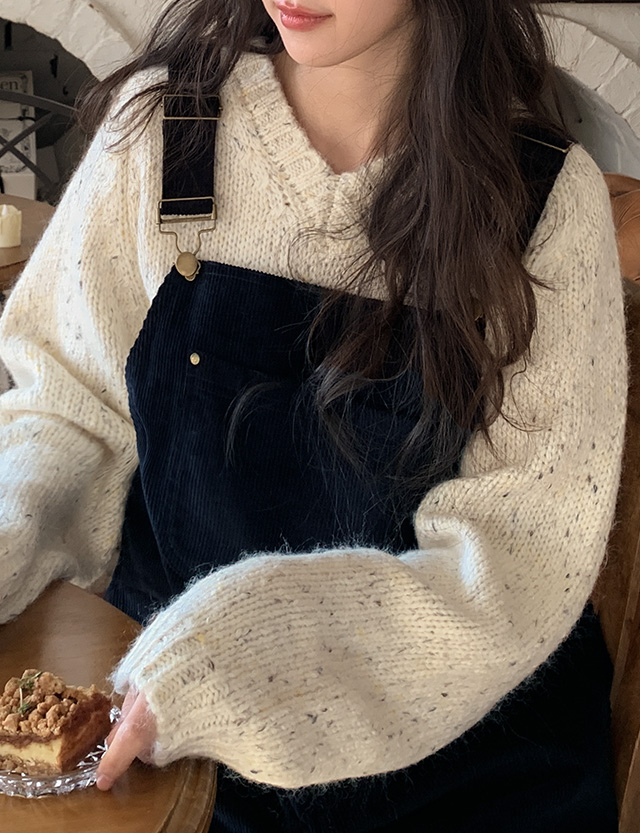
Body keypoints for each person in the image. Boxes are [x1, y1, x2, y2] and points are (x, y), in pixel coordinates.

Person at [0, 0, 627, 830]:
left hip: (472, 773)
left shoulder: (540, 199)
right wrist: (13, 528)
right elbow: (72, 404)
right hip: (172, 744)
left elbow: (518, 558)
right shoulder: (165, 132)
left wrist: (248, 651)